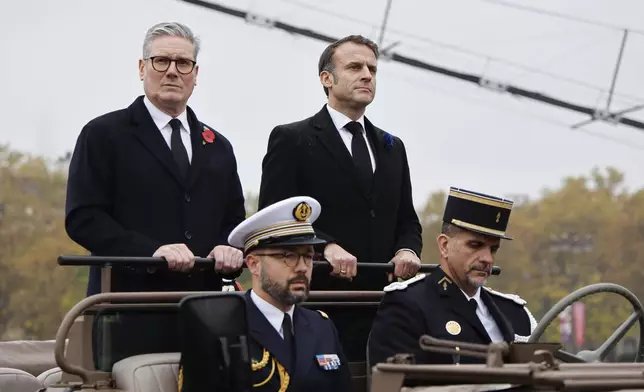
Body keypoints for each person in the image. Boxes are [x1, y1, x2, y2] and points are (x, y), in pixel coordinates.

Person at [257, 34, 422, 359]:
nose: (367, 75)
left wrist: (407, 249)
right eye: (355, 67)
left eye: (372, 69)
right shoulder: (292, 139)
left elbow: (406, 219)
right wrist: (325, 246)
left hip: (383, 310)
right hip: (318, 304)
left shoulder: (392, 147)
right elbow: (275, 218)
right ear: (326, 78)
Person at [65, 22, 245, 296]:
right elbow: (84, 218)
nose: (172, 71)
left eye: (183, 63)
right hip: (128, 304)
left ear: (195, 74)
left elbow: (234, 220)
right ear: (142, 68)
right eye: (161, 61)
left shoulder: (218, 146)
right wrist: (151, 251)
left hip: (205, 308)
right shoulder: (103, 135)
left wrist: (228, 247)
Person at [178, 196, 352, 392]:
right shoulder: (220, 328)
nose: (302, 267)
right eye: (288, 256)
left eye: (308, 256)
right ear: (253, 264)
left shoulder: (322, 326)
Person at [368, 187, 538, 366]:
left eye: (493, 249)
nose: (487, 258)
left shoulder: (515, 313)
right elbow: (396, 381)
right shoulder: (407, 307)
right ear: (444, 246)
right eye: (475, 245)